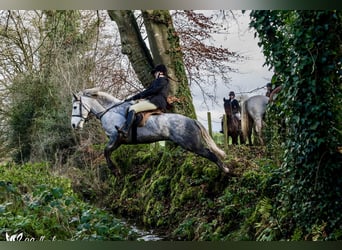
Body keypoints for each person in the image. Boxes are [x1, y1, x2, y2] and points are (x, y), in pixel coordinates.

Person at [117, 64, 170, 137]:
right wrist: (132, 98)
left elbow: (152, 91)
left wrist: (137, 97)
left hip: (156, 102)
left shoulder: (162, 80)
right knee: (133, 104)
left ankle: (125, 130)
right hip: (154, 101)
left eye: (155, 72)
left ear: (160, 73)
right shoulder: (160, 81)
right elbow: (147, 91)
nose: (154, 74)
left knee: (132, 108)